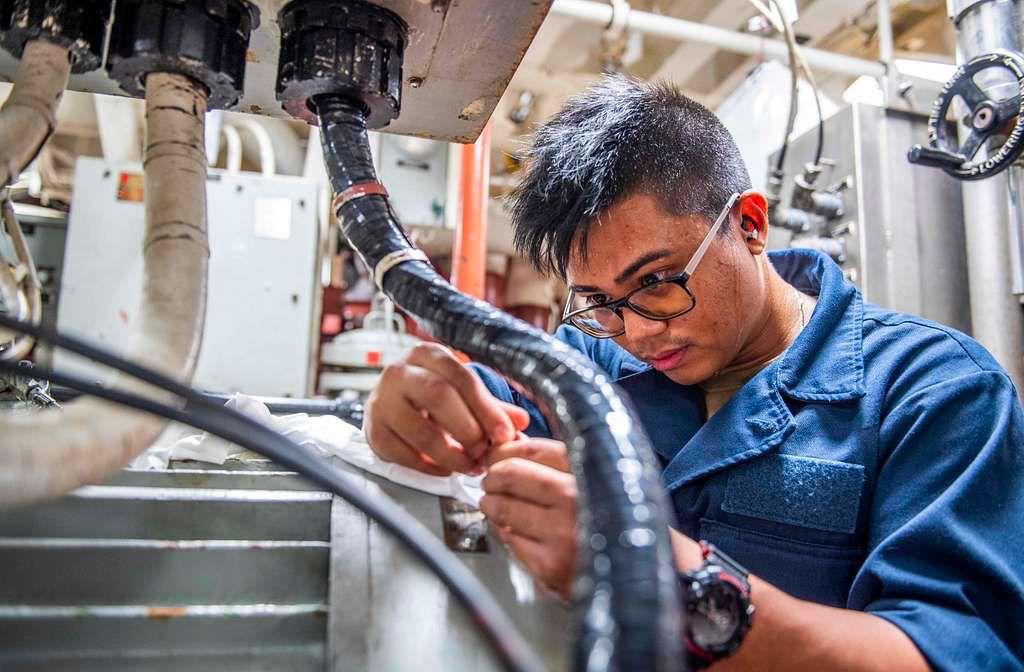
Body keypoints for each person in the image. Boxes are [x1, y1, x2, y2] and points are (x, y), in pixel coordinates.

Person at [363, 76, 1024, 671]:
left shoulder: (935, 391)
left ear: (749, 224)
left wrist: (662, 574)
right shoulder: (598, 360)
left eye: (656, 281)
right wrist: (410, 406)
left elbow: (949, 653)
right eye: (600, 301)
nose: (641, 331)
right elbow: (479, 403)